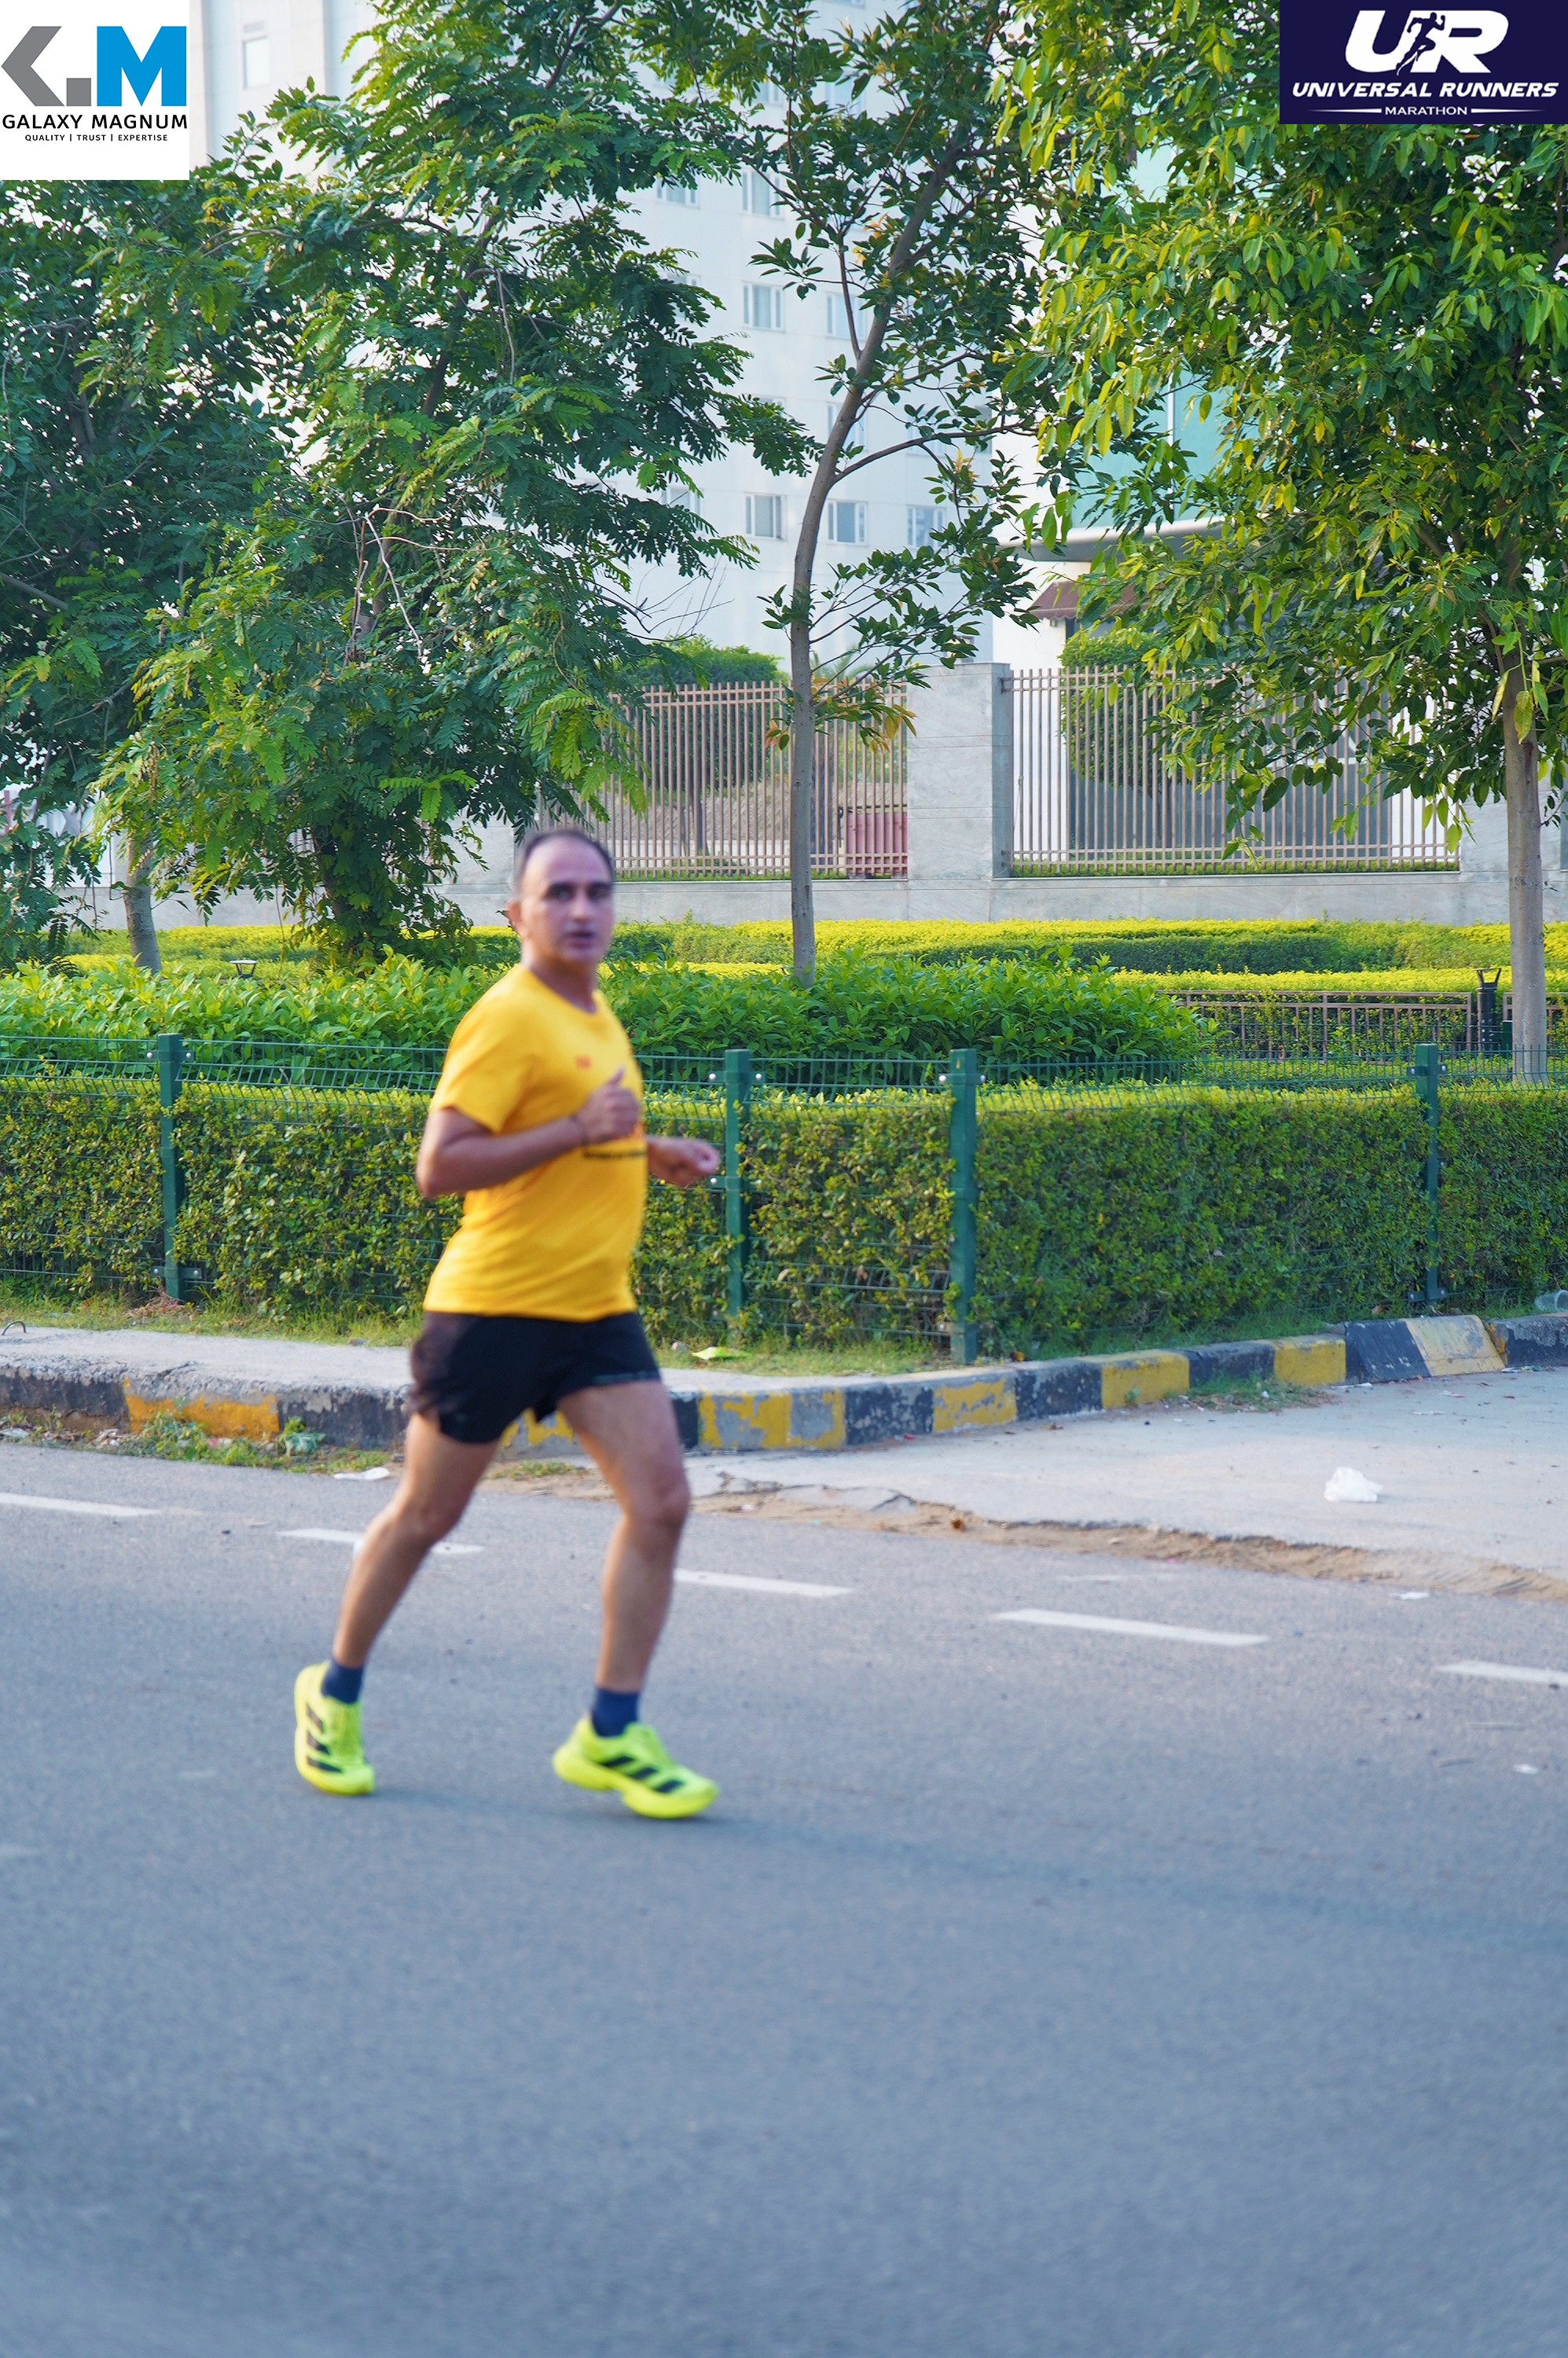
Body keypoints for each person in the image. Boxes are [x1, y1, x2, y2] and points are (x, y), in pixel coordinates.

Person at [292, 828, 722, 1818]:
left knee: (662, 1504)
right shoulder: (507, 1016)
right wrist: (579, 1130)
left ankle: (611, 1731)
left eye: (597, 891)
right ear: (518, 914)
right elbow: (439, 1165)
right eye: (558, 893)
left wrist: (647, 1151)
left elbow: (583, 1137)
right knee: (427, 1516)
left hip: (595, 1310)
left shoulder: (596, 1012)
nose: (581, 909)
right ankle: (334, 1692)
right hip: (492, 1309)